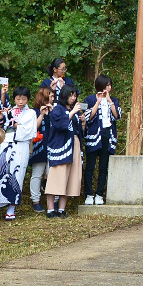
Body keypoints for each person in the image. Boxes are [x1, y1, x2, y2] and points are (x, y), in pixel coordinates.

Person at [0, 85, 35, 221]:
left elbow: (27, 131)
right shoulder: (9, 111)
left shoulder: (31, 113)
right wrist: (0, 117)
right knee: (1, 173)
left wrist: (14, 122)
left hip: (21, 146)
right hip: (5, 145)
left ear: (27, 99)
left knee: (17, 175)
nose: (20, 102)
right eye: (18, 98)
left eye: (23, 99)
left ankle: (11, 208)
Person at [43, 84, 84, 217]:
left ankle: (62, 209)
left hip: (75, 143)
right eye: (70, 95)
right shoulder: (57, 109)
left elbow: (78, 129)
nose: (73, 98)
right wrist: (71, 113)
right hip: (61, 145)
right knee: (57, 175)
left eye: (74, 95)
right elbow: (59, 125)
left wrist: (82, 121)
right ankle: (50, 209)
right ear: (64, 96)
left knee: (71, 176)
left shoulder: (75, 110)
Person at [81, 74, 120, 207]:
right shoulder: (90, 99)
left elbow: (117, 116)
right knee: (90, 166)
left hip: (107, 135)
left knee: (104, 167)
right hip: (93, 135)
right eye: (106, 85)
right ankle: (88, 194)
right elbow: (87, 116)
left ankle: (99, 194)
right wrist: (98, 101)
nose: (108, 88)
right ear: (100, 86)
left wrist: (109, 101)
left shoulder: (113, 99)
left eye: (110, 85)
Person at [27, 85, 53, 212]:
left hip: (53, 145)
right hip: (39, 145)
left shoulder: (55, 110)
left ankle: (53, 200)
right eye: (51, 96)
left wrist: (52, 112)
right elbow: (34, 128)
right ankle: (35, 200)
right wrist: (42, 114)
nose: (53, 98)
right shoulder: (35, 111)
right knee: (37, 174)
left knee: (52, 173)